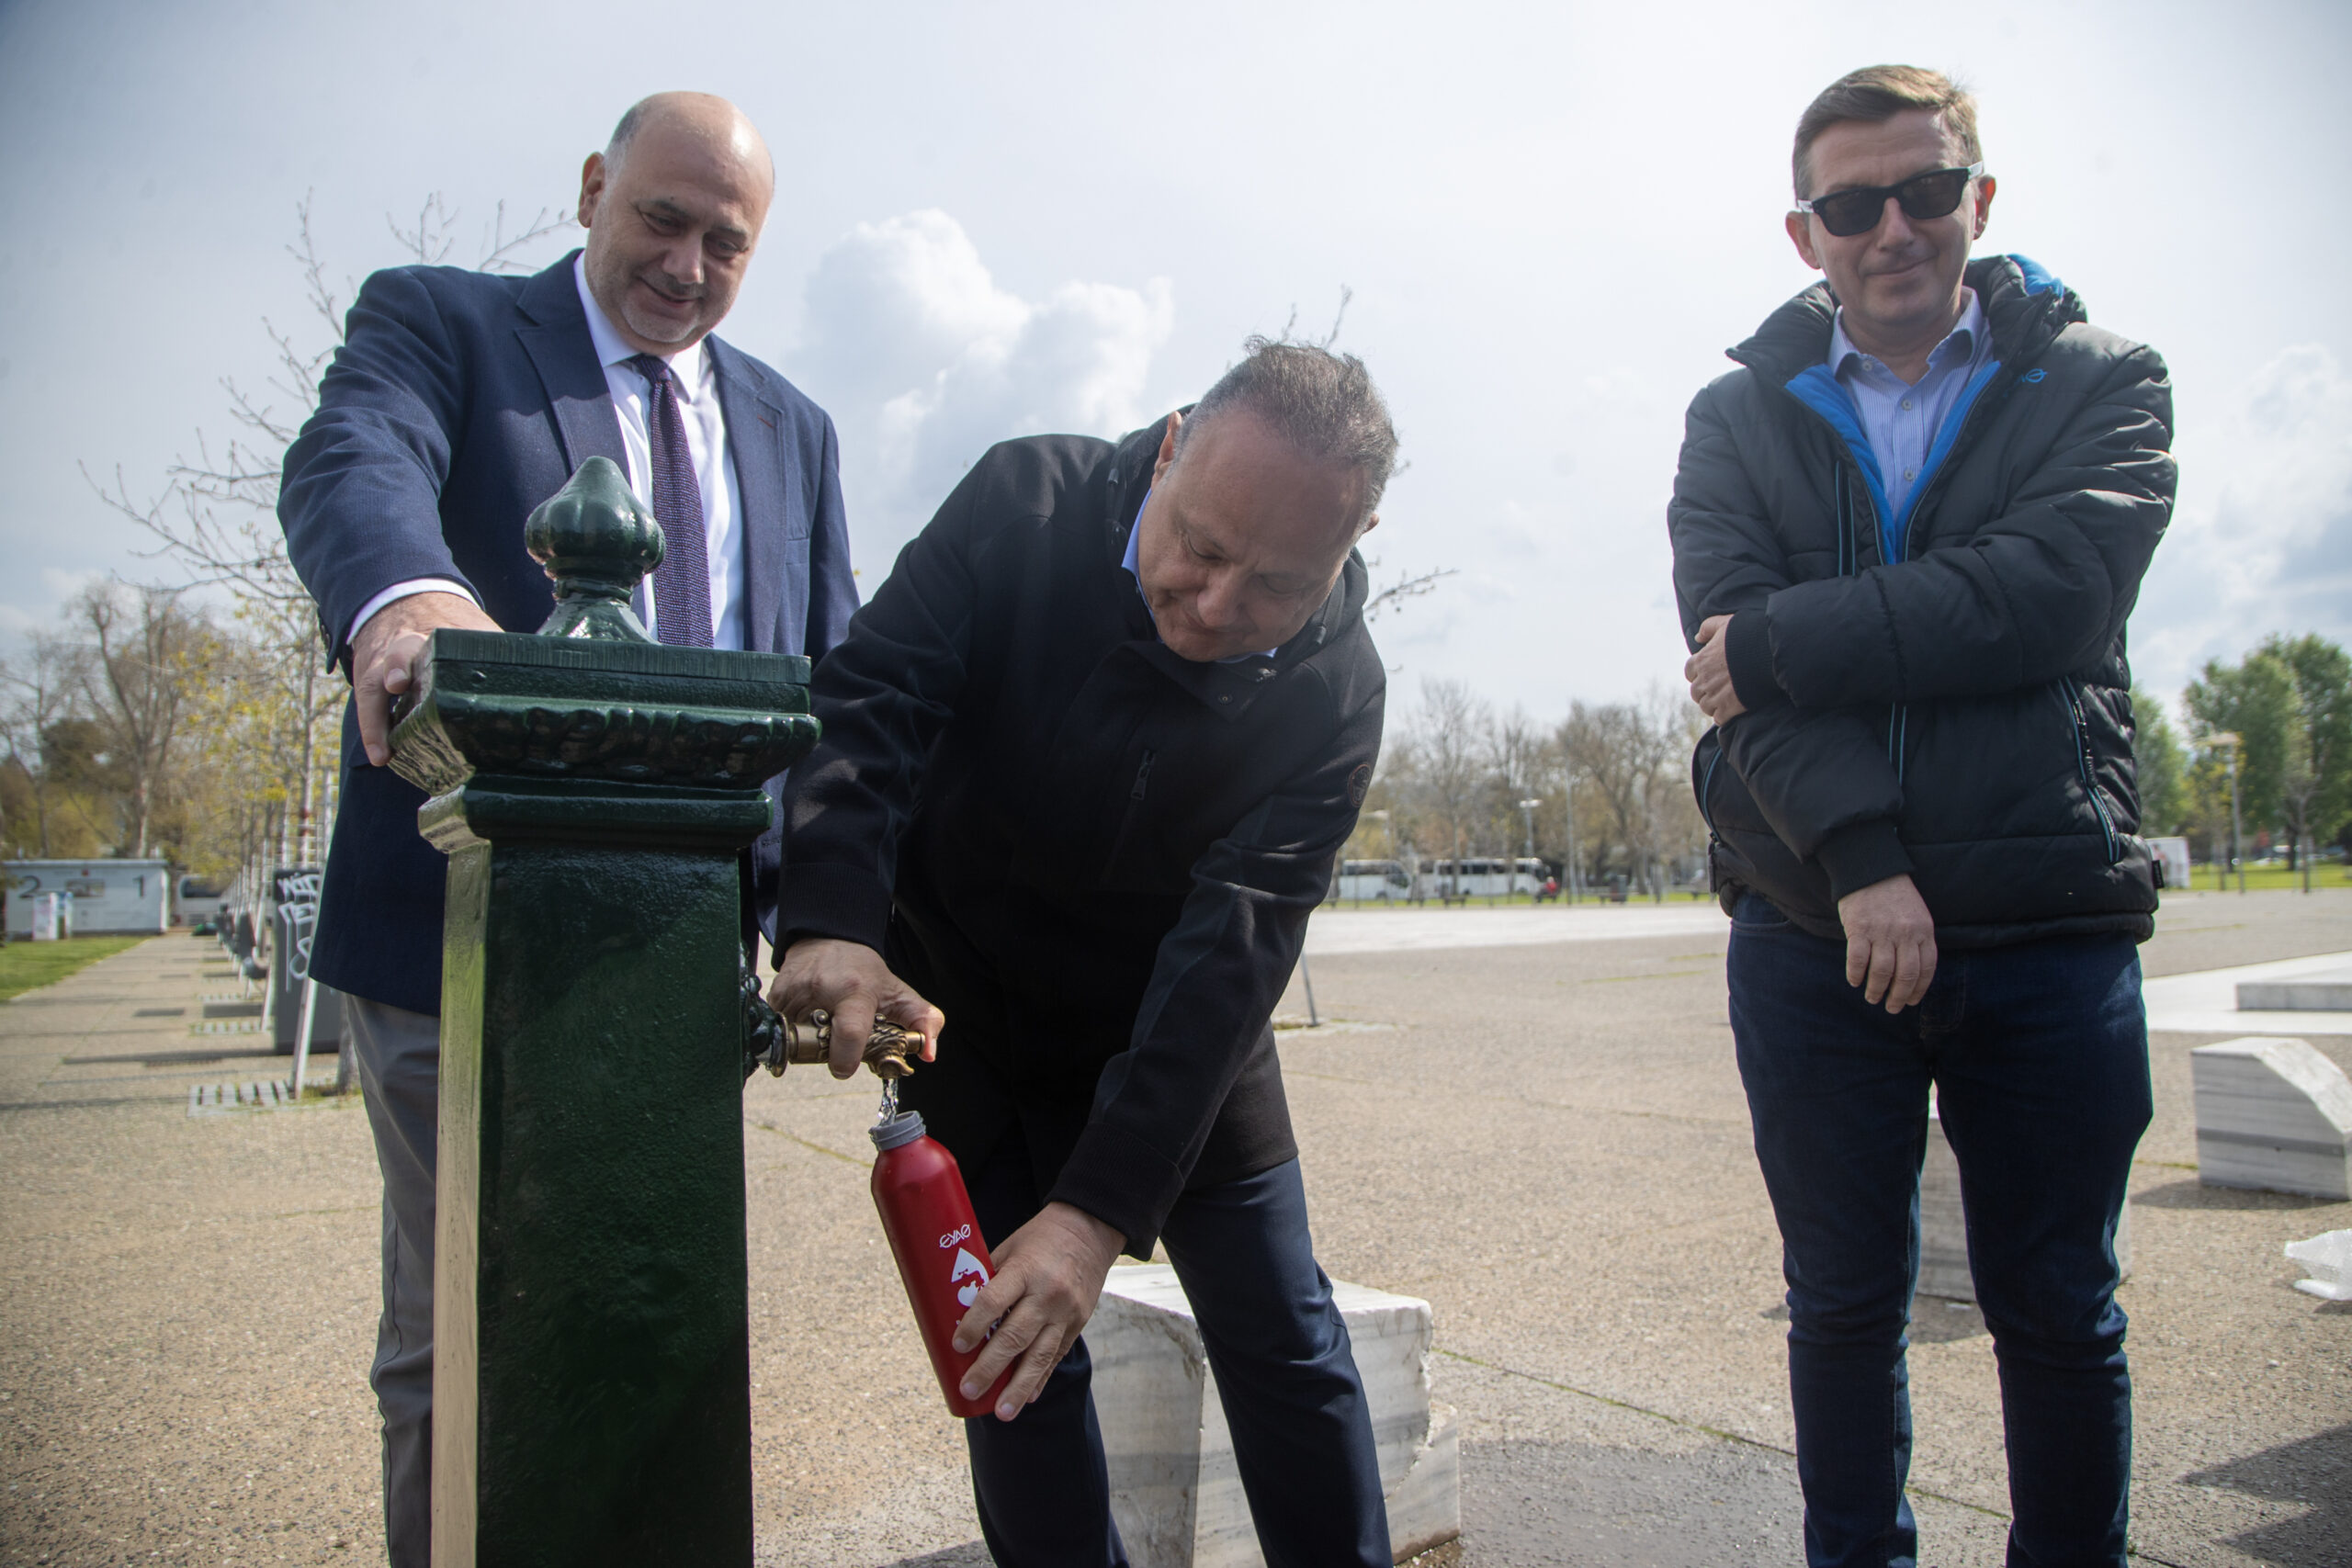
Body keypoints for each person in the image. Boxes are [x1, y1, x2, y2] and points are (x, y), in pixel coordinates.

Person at [277, 92, 857, 1565]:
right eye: (660, 218)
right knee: (464, 1319)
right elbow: (355, 453)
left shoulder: (794, 427)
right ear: (594, 187)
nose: (686, 262)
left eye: (726, 241)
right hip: (445, 940)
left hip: (679, 962)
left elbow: (832, 704)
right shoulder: (445, 324)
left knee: (637, 1301)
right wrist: (405, 594)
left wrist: (835, 920)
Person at [772, 339, 1396, 1568]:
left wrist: (1098, 1213)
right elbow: (870, 701)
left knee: (1282, 1334)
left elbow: (1239, 945)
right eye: (1201, 548)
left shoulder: (1337, 690)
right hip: (964, 1008)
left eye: (1274, 587)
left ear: (1345, 550)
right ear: (1169, 451)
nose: (1214, 610)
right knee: (1010, 1363)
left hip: (1175, 1036)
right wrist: (833, 916)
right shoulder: (1020, 506)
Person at [1669, 64, 2175, 1567]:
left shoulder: (2103, 377)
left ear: (1981, 198)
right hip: (1813, 931)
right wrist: (1865, 862)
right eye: (1851, 204)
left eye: (1924, 190)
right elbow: (1733, 681)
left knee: (2059, 1313)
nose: (1892, 227)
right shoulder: (1735, 416)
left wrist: (1781, 639)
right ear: (1803, 231)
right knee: (1838, 1307)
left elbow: (2051, 600)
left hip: (2047, 928)